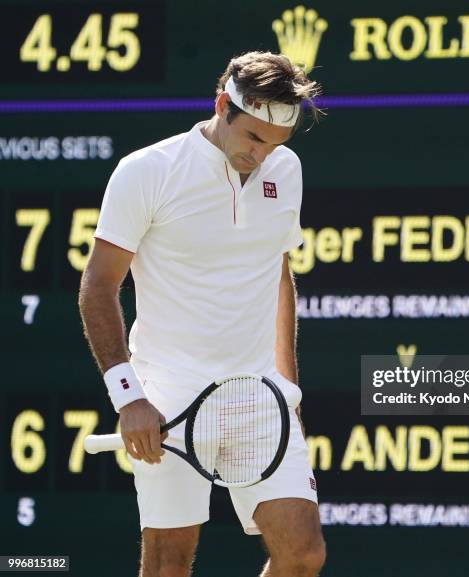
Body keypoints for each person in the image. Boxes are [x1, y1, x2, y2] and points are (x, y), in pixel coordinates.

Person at [78, 51, 326, 577]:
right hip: (167, 398)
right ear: (221, 106)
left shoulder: (286, 169)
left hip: (259, 398)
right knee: (169, 565)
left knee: (303, 556)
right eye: (253, 139)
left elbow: (277, 273)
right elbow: (98, 287)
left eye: (275, 143)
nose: (261, 156)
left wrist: (289, 389)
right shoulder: (146, 171)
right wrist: (129, 398)